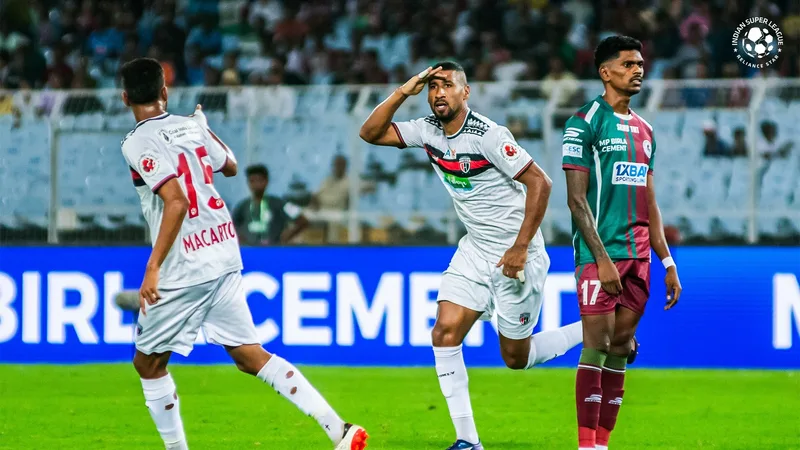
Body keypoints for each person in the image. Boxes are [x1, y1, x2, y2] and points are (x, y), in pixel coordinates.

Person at [118, 58, 367, 450]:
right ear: (165, 92)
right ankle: (339, 430)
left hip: (184, 266)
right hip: (222, 250)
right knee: (251, 356)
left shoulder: (135, 141)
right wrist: (203, 129)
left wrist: (153, 267)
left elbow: (177, 202)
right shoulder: (190, 125)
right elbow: (231, 166)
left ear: (125, 97)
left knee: (148, 363)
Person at [359, 61, 589, 450]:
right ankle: (468, 441)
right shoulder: (427, 130)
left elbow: (541, 183)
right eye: (432, 87)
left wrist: (519, 247)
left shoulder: (489, 136)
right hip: (475, 249)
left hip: (517, 255)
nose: (438, 94)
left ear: (465, 93)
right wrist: (403, 91)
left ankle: (596, 329)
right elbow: (370, 133)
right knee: (444, 332)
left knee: (516, 357)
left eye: (446, 85)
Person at [561, 36, 683, 450]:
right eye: (629, 64)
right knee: (595, 345)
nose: (638, 70)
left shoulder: (646, 131)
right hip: (600, 255)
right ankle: (584, 445)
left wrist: (667, 263)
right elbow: (576, 200)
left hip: (641, 255)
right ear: (605, 71)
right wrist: (602, 258)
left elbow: (650, 201)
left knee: (620, 349)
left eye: (641, 64)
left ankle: (602, 443)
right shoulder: (583, 122)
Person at [232, 164, 309, 245]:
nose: (256, 184)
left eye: (260, 180)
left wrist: (285, 237)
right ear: (248, 183)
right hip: (250, 251)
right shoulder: (242, 205)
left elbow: (303, 221)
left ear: (266, 181)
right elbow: (232, 225)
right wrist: (241, 240)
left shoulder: (279, 203)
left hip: (273, 251)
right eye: (252, 181)